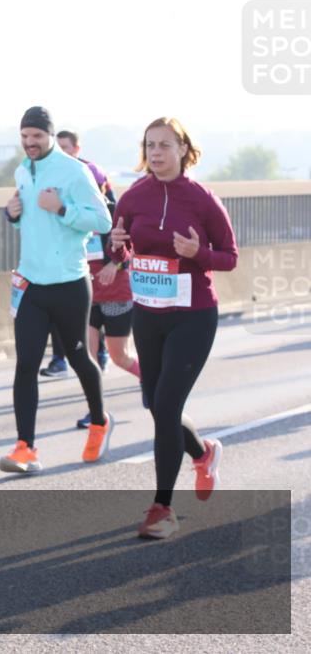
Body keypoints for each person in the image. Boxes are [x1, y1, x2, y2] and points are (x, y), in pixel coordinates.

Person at [109, 117, 237, 539]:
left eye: (165, 144)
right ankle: (202, 453)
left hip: (193, 315)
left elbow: (229, 257)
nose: (157, 152)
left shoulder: (202, 199)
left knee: (165, 406)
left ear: (183, 149)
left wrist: (199, 252)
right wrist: (117, 244)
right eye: (151, 145)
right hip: (148, 313)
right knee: (154, 402)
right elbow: (124, 244)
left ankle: (162, 509)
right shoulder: (134, 195)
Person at [0, 107, 114, 474]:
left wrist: (63, 207)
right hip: (32, 284)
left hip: (69, 283)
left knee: (80, 358)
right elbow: (31, 225)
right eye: (25, 137)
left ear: (49, 136)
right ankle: (24, 448)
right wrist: (14, 215)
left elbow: (102, 220)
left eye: (37, 137)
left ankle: (99, 421)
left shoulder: (74, 171)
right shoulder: (22, 170)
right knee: (26, 365)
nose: (30, 143)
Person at [55, 130, 143, 428]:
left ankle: (153, 383)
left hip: (117, 293)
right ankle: (95, 412)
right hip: (88, 293)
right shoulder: (74, 213)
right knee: (88, 357)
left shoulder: (114, 212)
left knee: (120, 357)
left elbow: (130, 249)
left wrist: (114, 266)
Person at [40, 130, 117, 379]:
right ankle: (59, 358)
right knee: (57, 312)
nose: (62, 152)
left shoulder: (89, 171)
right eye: (58, 147)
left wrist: (113, 260)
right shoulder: (51, 172)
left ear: (77, 148)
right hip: (67, 254)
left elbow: (110, 215)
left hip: (95, 252)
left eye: (66, 147)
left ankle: (100, 353)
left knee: (95, 312)